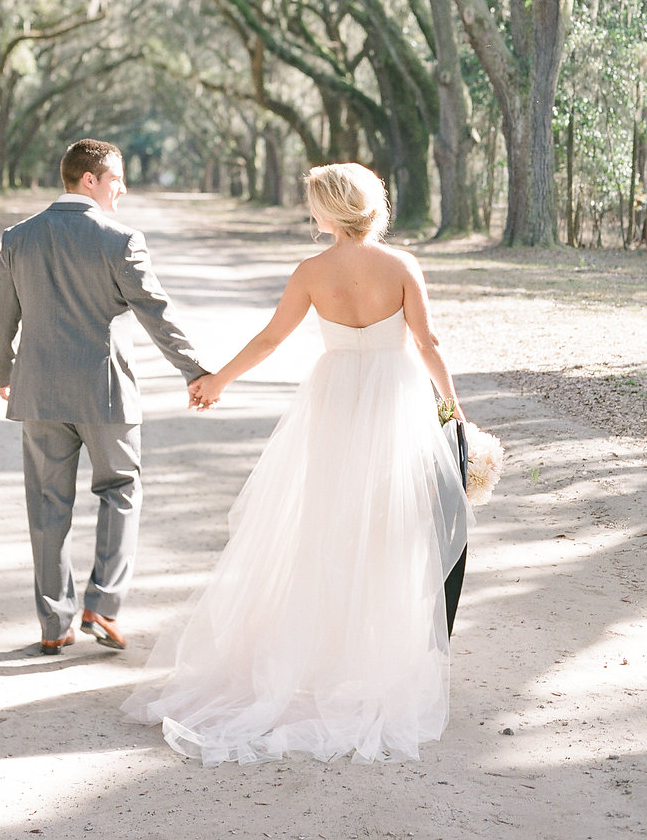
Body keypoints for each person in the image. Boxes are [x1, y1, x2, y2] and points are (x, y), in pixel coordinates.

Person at [124, 162, 472, 765]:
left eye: (314, 205)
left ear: (329, 213)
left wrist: (217, 381)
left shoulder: (311, 272)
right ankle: (377, 656)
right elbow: (427, 343)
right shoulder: (401, 266)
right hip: (396, 399)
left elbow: (269, 340)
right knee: (393, 526)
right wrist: (452, 408)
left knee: (326, 521)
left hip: (334, 396)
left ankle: (320, 653)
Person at [0, 138, 210, 655]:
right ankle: (102, 606)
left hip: (38, 391)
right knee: (121, 489)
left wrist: (4, 369)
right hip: (106, 392)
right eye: (117, 179)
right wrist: (194, 370)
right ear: (90, 179)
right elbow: (157, 312)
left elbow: (0, 313)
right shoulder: (121, 238)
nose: (123, 189)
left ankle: (54, 623)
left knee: (46, 506)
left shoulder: (19, 237)